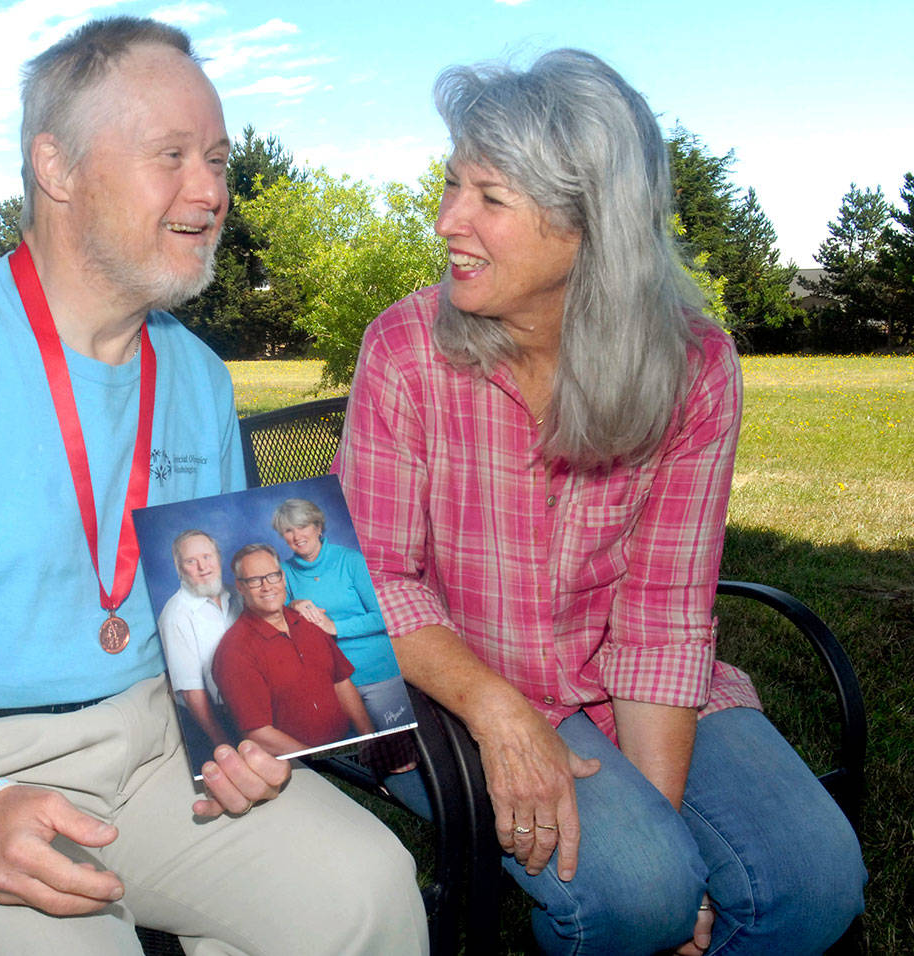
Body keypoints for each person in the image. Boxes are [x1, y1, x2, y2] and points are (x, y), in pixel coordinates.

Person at [0, 17, 426, 955]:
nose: (209, 191)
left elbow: (196, 614)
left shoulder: (198, 376)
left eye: (217, 158)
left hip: (158, 745)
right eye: (171, 155)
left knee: (369, 894)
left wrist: (236, 737)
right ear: (58, 167)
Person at [336, 49, 864, 956]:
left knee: (814, 886)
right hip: (446, 683)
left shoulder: (693, 366)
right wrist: (498, 710)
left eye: (489, 198)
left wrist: (665, 837)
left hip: (622, 683)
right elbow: (371, 575)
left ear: (592, 227)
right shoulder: (406, 349)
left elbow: (663, 612)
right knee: (631, 896)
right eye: (452, 182)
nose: (445, 219)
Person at [212, 544, 375, 754]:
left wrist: (370, 738)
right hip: (301, 763)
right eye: (254, 580)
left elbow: (341, 682)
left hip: (350, 742)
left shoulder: (308, 623)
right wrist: (324, 759)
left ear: (283, 578)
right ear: (240, 587)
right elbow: (257, 734)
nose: (267, 586)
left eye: (273, 576)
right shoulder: (233, 652)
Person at [273, 498, 410, 733]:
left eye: (303, 526)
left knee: (400, 754)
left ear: (318, 527)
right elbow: (278, 623)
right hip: (330, 681)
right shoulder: (283, 571)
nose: (297, 536)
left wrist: (335, 627)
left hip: (377, 672)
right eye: (288, 530)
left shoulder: (351, 561)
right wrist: (294, 604)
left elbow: (384, 616)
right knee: (364, 754)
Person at [157, 529, 238, 745]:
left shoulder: (238, 595)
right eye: (191, 561)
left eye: (207, 557)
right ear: (179, 569)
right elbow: (192, 693)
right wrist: (223, 744)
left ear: (218, 558)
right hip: (213, 721)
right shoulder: (175, 615)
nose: (203, 568)